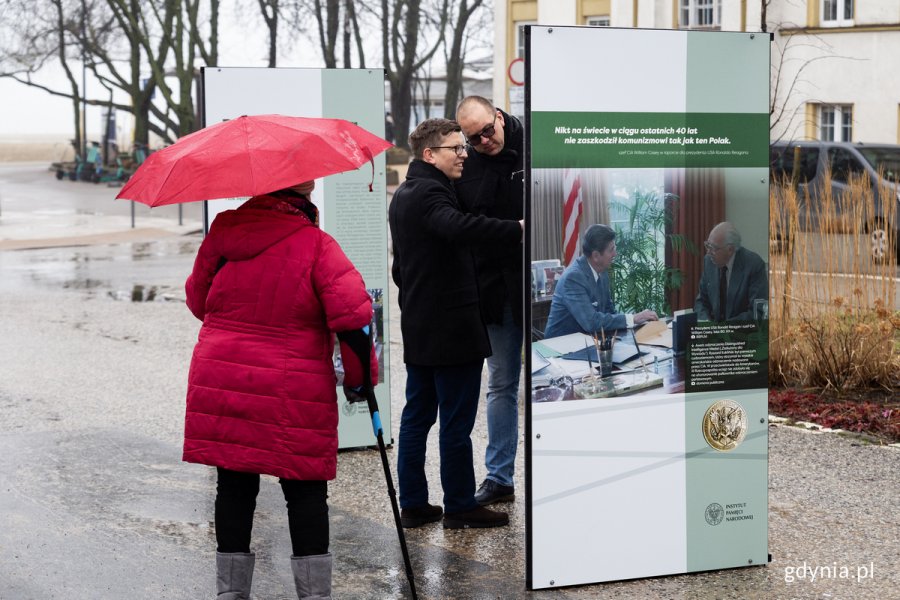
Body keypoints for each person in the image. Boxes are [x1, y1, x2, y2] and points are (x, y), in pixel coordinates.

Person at [183, 180, 378, 600]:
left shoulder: (223, 232)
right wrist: (361, 382)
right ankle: (314, 595)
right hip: (293, 381)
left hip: (223, 375)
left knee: (234, 487)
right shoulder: (317, 245)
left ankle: (231, 593)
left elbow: (198, 301)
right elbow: (353, 318)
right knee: (305, 490)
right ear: (305, 198)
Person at [388, 118, 523, 529]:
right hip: (451, 330)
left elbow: (403, 269)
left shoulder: (407, 192)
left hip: (421, 326)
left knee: (417, 416)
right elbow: (459, 227)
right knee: (455, 422)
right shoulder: (431, 194)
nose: (464, 153)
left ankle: (412, 503)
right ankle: (460, 505)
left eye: (464, 146)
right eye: (455, 148)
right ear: (430, 154)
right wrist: (516, 229)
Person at [454, 96, 524, 506]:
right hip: (495, 290)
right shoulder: (471, 162)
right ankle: (500, 477)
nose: (484, 140)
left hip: (540, 289)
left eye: (487, 130)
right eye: (474, 138)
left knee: (559, 379)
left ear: (499, 116)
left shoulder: (535, 145)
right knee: (500, 384)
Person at [543, 224, 658, 338]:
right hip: (560, 348)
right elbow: (591, 322)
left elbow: (609, 312)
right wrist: (633, 318)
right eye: (611, 250)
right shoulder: (573, 278)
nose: (615, 254)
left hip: (590, 341)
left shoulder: (602, 272)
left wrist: (639, 322)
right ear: (596, 256)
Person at [694, 221, 768, 322]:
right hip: (712, 333)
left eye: (713, 248)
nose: (708, 252)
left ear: (730, 249)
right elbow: (701, 301)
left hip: (740, 334)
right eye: (707, 245)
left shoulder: (754, 265)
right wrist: (705, 322)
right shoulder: (709, 261)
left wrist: (724, 329)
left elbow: (757, 312)